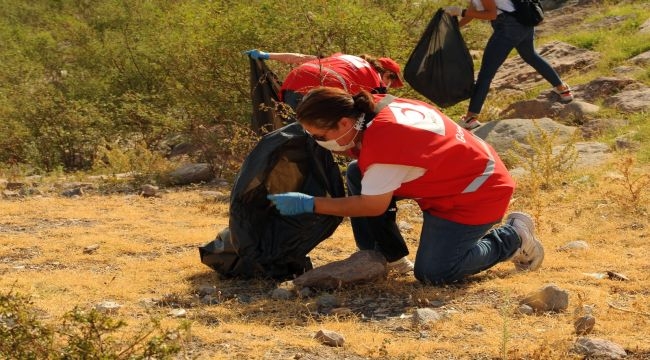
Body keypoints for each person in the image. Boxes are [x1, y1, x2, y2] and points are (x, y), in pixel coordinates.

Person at [266, 87, 545, 285]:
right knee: (357, 173)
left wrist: (311, 203)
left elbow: (371, 206)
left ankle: (513, 237)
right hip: (459, 172)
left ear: (343, 122)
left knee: (436, 273)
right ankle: (387, 257)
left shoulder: (385, 145)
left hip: (477, 192)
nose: (317, 141)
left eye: (320, 135)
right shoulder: (373, 107)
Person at [443, 0, 574, 130]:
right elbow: (472, 13)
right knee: (531, 56)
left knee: (485, 75)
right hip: (524, 23)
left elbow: (491, 14)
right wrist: (455, 28)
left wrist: (460, 11)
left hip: (508, 27)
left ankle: (471, 118)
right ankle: (563, 90)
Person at [244, 49, 404, 109]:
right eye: (391, 81)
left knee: (292, 138)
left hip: (293, 84)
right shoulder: (374, 79)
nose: (388, 86)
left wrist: (266, 55)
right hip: (319, 92)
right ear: (387, 73)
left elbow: (300, 58)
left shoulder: (343, 59)